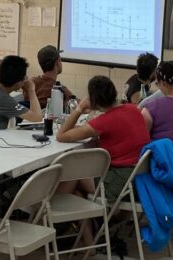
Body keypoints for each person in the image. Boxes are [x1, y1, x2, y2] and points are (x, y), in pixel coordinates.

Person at [57, 75, 150, 204]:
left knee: (74, 172)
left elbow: (61, 136)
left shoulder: (104, 122)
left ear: (94, 100)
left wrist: (80, 108)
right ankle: (86, 224)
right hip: (140, 179)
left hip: (121, 183)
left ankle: (52, 215)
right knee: (77, 189)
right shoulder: (133, 109)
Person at [30, 45, 75, 109]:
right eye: (60, 60)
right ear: (57, 63)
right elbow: (79, 106)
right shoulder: (61, 90)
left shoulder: (30, 84)